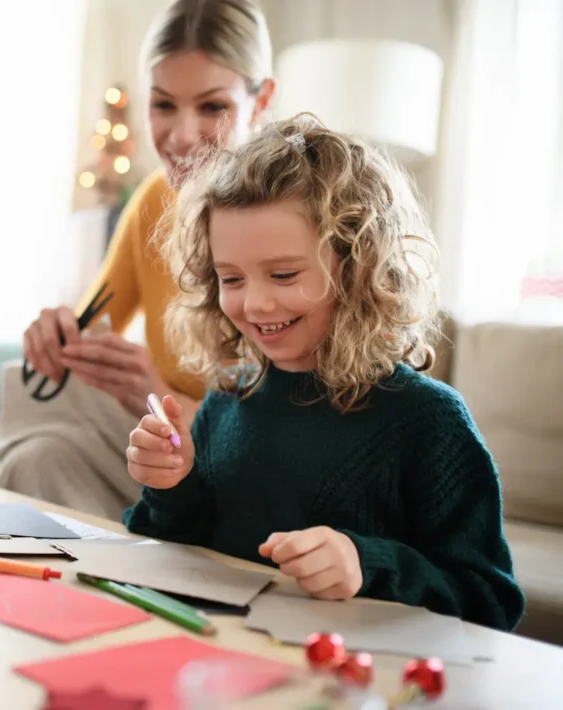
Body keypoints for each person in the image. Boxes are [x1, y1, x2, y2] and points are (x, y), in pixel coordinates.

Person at [123, 114, 525, 631]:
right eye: (231, 278)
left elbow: (491, 602)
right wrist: (171, 485)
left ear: (357, 265)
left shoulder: (430, 422)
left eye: (284, 274)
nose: (257, 303)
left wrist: (369, 565)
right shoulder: (229, 400)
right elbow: (177, 555)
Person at [0, 0, 276, 520]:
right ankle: (110, 577)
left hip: (247, 469)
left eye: (212, 107)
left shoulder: (286, 216)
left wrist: (156, 395)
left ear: (261, 100)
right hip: (162, 444)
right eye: (163, 105)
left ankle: (137, 566)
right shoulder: (154, 200)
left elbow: (282, 440)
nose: (182, 135)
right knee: (34, 462)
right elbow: (95, 321)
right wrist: (60, 337)